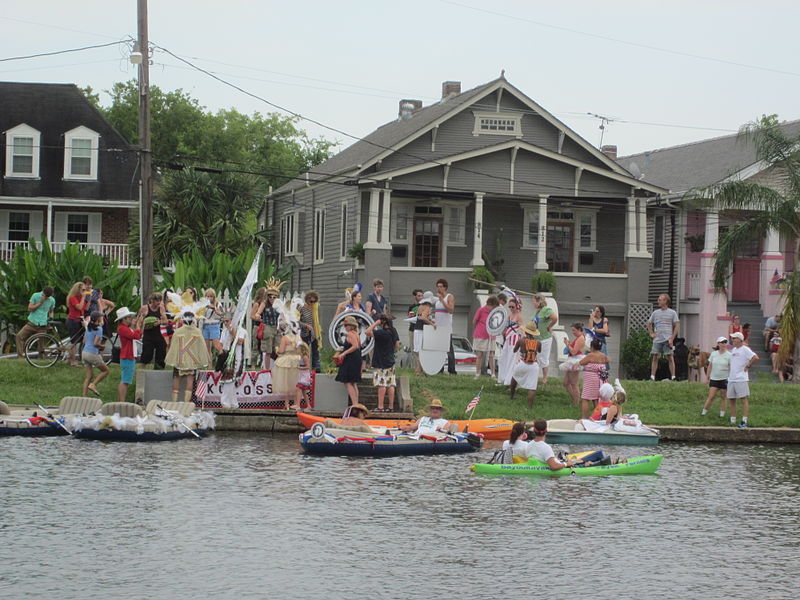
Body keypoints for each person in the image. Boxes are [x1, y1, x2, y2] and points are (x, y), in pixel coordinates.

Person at [165, 310, 210, 403]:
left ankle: (174, 403)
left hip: (180, 360)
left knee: (176, 379)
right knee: (190, 380)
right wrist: (203, 359)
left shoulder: (178, 331)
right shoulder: (197, 331)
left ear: (183, 320)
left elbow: (173, 347)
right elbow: (202, 346)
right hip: (192, 361)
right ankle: (186, 404)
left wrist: (171, 358)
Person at [365, 314, 400, 412]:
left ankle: (380, 407)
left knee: (381, 384)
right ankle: (391, 407)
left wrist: (375, 323)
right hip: (390, 361)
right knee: (390, 384)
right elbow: (397, 345)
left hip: (381, 362)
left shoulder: (381, 333)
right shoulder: (393, 331)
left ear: (382, 322)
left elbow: (367, 332)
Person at [727, 331, 758, 428]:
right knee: (732, 399)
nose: (732, 340)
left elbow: (755, 357)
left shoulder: (745, 349)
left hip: (741, 379)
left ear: (740, 340)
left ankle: (744, 421)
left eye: (734, 338)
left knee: (743, 399)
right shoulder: (734, 350)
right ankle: (732, 420)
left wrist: (748, 365)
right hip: (731, 379)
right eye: (732, 338)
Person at [217, 317, 248, 409]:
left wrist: (233, 333)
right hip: (227, 357)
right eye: (224, 321)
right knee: (229, 379)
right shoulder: (224, 331)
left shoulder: (241, 331)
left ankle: (225, 401)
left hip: (236, 358)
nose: (225, 323)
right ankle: (233, 403)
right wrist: (220, 359)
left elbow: (240, 342)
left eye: (227, 321)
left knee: (230, 379)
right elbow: (221, 345)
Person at [252, 278, 283, 370]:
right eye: (270, 296)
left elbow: (283, 315)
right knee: (268, 350)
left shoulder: (279, 305)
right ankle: (267, 369)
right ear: (267, 297)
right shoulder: (264, 304)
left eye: (274, 297)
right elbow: (257, 313)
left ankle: (277, 368)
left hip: (277, 328)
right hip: (268, 327)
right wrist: (258, 316)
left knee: (278, 350)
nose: (272, 299)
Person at [16, 285, 56, 357]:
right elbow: (30, 308)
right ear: (43, 292)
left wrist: (51, 319)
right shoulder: (35, 295)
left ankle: (41, 357)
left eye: (48, 296)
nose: (46, 297)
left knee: (41, 343)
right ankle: (20, 356)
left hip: (43, 323)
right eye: (45, 295)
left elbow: (51, 311)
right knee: (19, 336)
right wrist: (40, 303)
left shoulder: (52, 300)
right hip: (32, 322)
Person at [647, 293, 680, 381]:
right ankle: (652, 377)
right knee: (655, 357)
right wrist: (651, 333)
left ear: (665, 301)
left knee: (670, 357)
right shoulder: (655, 313)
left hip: (667, 339)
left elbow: (677, 325)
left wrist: (672, 338)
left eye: (660, 299)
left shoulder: (672, 313)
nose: (658, 301)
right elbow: (649, 323)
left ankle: (673, 377)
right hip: (657, 339)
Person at [510, 321, 542, 408]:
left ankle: (512, 396)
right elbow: (539, 351)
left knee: (514, 378)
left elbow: (514, 350)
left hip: (522, 363)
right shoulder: (538, 342)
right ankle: (530, 406)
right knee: (532, 387)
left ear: (526, 331)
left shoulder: (521, 340)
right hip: (534, 366)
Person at [115, 307, 143, 403]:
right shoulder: (122, 328)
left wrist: (138, 326)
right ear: (124, 319)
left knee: (125, 380)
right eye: (129, 317)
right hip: (127, 356)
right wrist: (138, 326)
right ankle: (122, 402)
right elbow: (135, 336)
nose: (131, 319)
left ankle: (120, 401)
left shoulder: (125, 328)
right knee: (125, 381)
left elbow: (138, 335)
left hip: (128, 356)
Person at [273, 323, 303, 410]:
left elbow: (281, 351)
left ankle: (287, 405)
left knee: (286, 383)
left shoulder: (285, 338)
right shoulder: (298, 337)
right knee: (295, 383)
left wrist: (277, 350)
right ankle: (296, 404)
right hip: (296, 360)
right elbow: (300, 350)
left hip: (286, 360)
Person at [579, 338, 610, 419]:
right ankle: (597, 416)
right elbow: (609, 360)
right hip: (600, 378)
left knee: (585, 398)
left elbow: (581, 362)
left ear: (592, 347)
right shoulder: (603, 355)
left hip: (591, 379)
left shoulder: (591, 355)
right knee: (596, 398)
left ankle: (584, 417)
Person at [334, 316, 362, 404]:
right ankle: (356, 403)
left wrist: (344, 353)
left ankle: (354, 403)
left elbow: (355, 346)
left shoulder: (350, 334)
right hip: (356, 358)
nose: (345, 327)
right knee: (353, 382)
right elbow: (358, 346)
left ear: (351, 325)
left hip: (351, 359)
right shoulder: (356, 334)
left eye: (346, 325)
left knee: (348, 381)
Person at [81, 311, 109, 397]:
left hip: (84, 353)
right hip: (92, 354)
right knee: (106, 371)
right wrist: (102, 346)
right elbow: (95, 343)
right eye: (101, 317)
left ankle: (84, 396)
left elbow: (84, 341)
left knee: (89, 376)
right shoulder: (99, 329)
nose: (102, 318)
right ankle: (93, 385)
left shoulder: (88, 328)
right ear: (98, 319)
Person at [702, 337, 730, 418]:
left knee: (723, 397)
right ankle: (704, 412)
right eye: (722, 342)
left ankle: (722, 414)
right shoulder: (714, 354)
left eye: (725, 342)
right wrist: (707, 377)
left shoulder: (729, 355)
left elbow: (731, 367)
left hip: (724, 378)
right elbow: (710, 366)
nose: (724, 344)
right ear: (718, 343)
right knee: (711, 396)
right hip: (714, 378)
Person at [497, 297, 523, 385]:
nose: (511, 309)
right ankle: (503, 378)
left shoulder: (519, 316)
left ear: (517, 306)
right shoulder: (509, 315)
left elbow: (521, 328)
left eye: (512, 307)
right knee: (502, 358)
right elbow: (505, 328)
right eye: (509, 307)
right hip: (508, 340)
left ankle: (509, 380)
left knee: (512, 360)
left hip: (515, 340)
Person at [138, 293, 168, 370]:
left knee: (162, 349)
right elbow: (139, 321)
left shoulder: (161, 308)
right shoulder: (145, 308)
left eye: (159, 300)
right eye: (156, 300)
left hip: (157, 333)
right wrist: (139, 331)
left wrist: (159, 322)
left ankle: (159, 369)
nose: (158, 302)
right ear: (152, 300)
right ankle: (141, 370)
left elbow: (166, 321)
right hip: (148, 335)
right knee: (147, 353)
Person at [532, 293, 557, 384]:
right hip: (537, 338)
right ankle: (535, 376)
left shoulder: (546, 310)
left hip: (545, 338)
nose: (533, 303)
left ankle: (545, 378)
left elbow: (554, 318)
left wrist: (549, 326)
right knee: (536, 357)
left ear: (538, 301)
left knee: (544, 358)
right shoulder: (538, 311)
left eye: (534, 301)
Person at [472, 295, 499, 377]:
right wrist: (478, 330)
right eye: (493, 307)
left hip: (491, 336)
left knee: (491, 355)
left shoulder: (494, 312)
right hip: (480, 335)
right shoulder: (481, 310)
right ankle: (477, 373)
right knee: (479, 354)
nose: (494, 309)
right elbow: (474, 321)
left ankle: (493, 374)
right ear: (490, 304)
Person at [435, 278, 456, 375]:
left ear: (445, 287)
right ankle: (440, 368)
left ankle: (452, 370)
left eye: (441, 287)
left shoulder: (449, 297)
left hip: (446, 327)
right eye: (438, 286)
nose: (439, 289)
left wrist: (442, 300)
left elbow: (451, 310)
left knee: (449, 349)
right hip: (438, 327)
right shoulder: (437, 300)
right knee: (439, 349)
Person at [66, 281, 89, 366]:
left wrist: (88, 298)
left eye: (85, 290)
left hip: (80, 320)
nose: (84, 291)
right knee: (74, 341)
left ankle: (69, 359)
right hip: (73, 320)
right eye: (83, 289)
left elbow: (86, 308)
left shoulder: (81, 298)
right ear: (78, 289)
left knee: (79, 340)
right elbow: (79, 307)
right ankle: (72, 361)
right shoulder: (73, 298)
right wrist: (83, 297)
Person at [561, 322, 585, 405]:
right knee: (566, 383)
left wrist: (567, 344)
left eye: (574, 330)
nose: (573, 332)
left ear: (579, 330)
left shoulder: (581, 338)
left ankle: (576, 402)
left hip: (575, 360)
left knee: (574, 384)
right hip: (572, 359)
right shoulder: (578, 338)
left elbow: (574, 351)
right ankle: (575, 399)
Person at [413, 292, 436, 376]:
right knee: (421, 351)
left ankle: (419, 370)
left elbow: (419, 317)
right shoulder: (427, 307)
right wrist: (432, 323)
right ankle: (419, 371)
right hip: (421, 330)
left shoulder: (420, 306)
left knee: (418, 351)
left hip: (417, 329)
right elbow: (423, 317)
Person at [299, 290, 322, 372]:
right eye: (311, 301)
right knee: (304, 350)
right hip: (305, 332)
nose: (312, 303)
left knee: (315, 350)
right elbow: (297, 321)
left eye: (314, 301)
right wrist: (306, 325)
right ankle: (304, 365)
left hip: (314, 332)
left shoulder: (316, 308)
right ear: (307, 299)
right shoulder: (301, 308)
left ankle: (316, 367)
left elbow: (318, 321)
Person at [201, 288, 222, 357]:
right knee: (207, 348)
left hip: (214, 325)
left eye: (211, 296)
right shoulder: (204, 305)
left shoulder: (218, 304)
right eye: (207, 296)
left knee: (216, 345)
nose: (209, 298)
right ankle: (209, 365)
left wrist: (213, 307)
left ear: (214, 297)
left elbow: (221, 313)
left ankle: (223, 358)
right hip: (206, 326)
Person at [292, 342, 312, 410]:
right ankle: (308, 406)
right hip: (301, 375)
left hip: (305, 375)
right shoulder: (300, 357)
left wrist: (300, 368)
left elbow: (308, 366)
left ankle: (298, 405)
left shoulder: (305, 357)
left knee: (299, 388)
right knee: (303, 391)